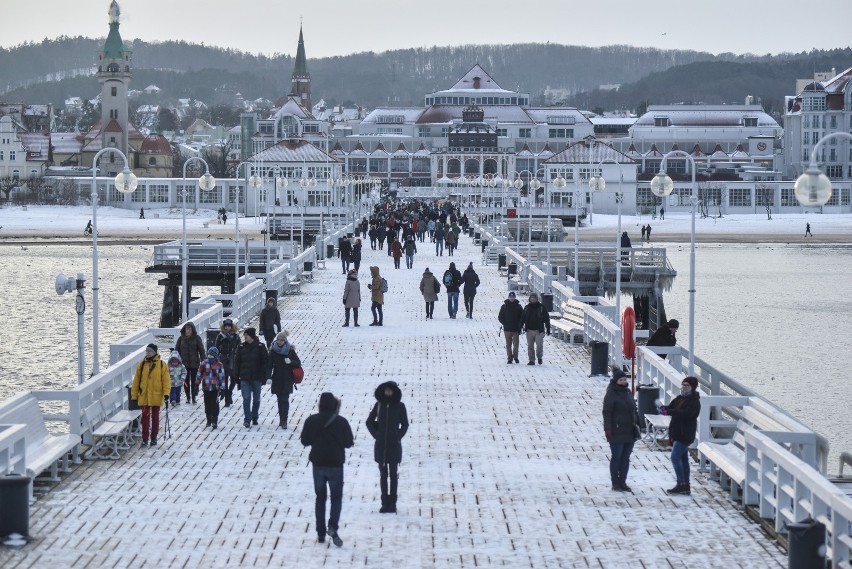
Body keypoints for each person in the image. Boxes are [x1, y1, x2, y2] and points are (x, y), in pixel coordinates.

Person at [300, 392, 355, 547]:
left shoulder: (311, 420)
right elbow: (349, 442)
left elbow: (304, 441)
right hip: (336, 464)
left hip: (318, 464)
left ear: (320, 404)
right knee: (336, 498)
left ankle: (320, 533)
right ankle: (332, 526)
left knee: (320, 498)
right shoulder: (341, 422)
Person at [366, 381, 409, 514]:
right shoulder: (379, 405)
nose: (388, 393)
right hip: (381, 446)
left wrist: (398, 436)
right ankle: (384, 503)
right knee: (383, 475)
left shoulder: (400, 406)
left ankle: (393, 503)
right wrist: (376, 435)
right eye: (386, 390)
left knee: (393, 475)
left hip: (394, 446)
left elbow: (405, 424)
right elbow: (369, 422)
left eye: (390, 391)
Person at [602, 368, 641, 492]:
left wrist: (639, 423)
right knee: (616, 457)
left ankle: (623, 481)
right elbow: (607, 412)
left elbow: (634, 409)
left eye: (625, 379)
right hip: (617, 430)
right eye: (621, 380)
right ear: (616, 381)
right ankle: (615, 482)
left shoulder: (628, 392)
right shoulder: (611, 393)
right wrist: (608, 429)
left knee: (626, 457)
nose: (624, 382)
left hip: (630, 430)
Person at [661, 376, 701, 495]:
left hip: (685, 434)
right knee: (683, 459)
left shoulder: (694, 401)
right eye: (683, 385)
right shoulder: (679, 398)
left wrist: (669, 412)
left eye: (687, 385)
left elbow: (688, 414)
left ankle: (681, 483)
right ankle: (686, 485)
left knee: (675, 457)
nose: (684, 387)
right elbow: (671, 407)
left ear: (693, 388)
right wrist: (664, 408)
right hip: (677, 432)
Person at [130, 343, 170, 448]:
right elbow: (136, 381)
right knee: (145, 417)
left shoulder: (162, 365)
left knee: (155, 417)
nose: (147, 353)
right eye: (146, 351)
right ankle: (145, 438)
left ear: (154, 352)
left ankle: (154, 438)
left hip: (156, 395)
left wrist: (166, 393)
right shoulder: (142, 364)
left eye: (149, 351)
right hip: (144, 395)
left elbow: (166, 381)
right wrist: (134, 396)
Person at [234, 327, 268, 428]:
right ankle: (247, 419)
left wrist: (264, 376)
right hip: (244, 377)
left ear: (252, 336)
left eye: (247, 335)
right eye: (244, 335)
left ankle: (255, 416)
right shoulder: (241, 347)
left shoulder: (261, 347)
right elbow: (237, 362)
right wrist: (236, 376)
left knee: (256, 399)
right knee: (246, 398)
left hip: (257, 377)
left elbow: (265, 362)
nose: (245, 337)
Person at [268, 330, 300, 428]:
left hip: (287, 378)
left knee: (285, 399)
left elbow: (298, 363)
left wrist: (290, 361)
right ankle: (281, 417)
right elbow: (269, 365)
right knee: (279, 399)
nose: (280, 341)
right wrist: (268, 377)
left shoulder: (290, 351)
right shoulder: (273, 351)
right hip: (277, 378)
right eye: (279, 339)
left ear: (285, 341)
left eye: (282, 340)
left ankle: (284, 420)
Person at [175, 322, 205, 404]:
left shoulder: (197, 338)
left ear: (192, 330)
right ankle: (188, 397)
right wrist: (175, 361)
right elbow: (176, 351)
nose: (188, 330)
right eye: (186, 329)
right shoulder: (180, 339)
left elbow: (201, 350)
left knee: (194, 381)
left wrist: (204, 360)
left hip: (194, 363)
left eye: (189, 329)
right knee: (186, 381)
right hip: (184, 364)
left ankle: (194, 397)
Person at [196, 346, 226, 429]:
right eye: (209, 355)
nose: (210, 357)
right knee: (207, 405)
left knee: (215, 405)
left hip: (215, 389)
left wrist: (222, 389)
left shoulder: (219, 365)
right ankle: (208, 419)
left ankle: (214, 420)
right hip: (206, 388)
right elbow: (199, 374)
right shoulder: (204, 363)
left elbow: (222, 377)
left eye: (212, 356)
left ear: (216, 356)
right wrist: (196, 384)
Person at [215, 318, 240, 407]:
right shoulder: (220, 336)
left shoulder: (236, 336)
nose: (227, 328)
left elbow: (239, 347)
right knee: (224, 380)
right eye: (226, 326)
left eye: (229, 326)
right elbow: (216, 347)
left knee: (233, 380)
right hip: (223, 359)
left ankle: (229, 393)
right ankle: (226, 400)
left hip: (233, 359)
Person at [520, 292, 551, 365]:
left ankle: (539, 357)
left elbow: (546, 318)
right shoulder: (527, 307)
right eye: (531, 298)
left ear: (537, 299)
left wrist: (548, 328)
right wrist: (520, 327)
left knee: (539, 346)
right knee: (530, 346)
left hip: (539, 330)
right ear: (529, 299)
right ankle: (531, 360)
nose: (533, 299)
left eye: (534, 298)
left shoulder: (541, 307)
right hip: (529, 330)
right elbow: (522, 318)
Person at [498, 291, 524, 364]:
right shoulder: (504, 306)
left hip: (516, 329)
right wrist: (505, 323)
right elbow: (500, 317)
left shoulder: (518, 307)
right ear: (508, 297)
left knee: (516, 344)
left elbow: (522, 317)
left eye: (513, 297)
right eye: (510, 297)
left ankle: (515, 357)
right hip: (507, 329)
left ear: (515, 297)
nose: (512, 298)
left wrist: (520, 326)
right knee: (508, 344)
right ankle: (509, 358)